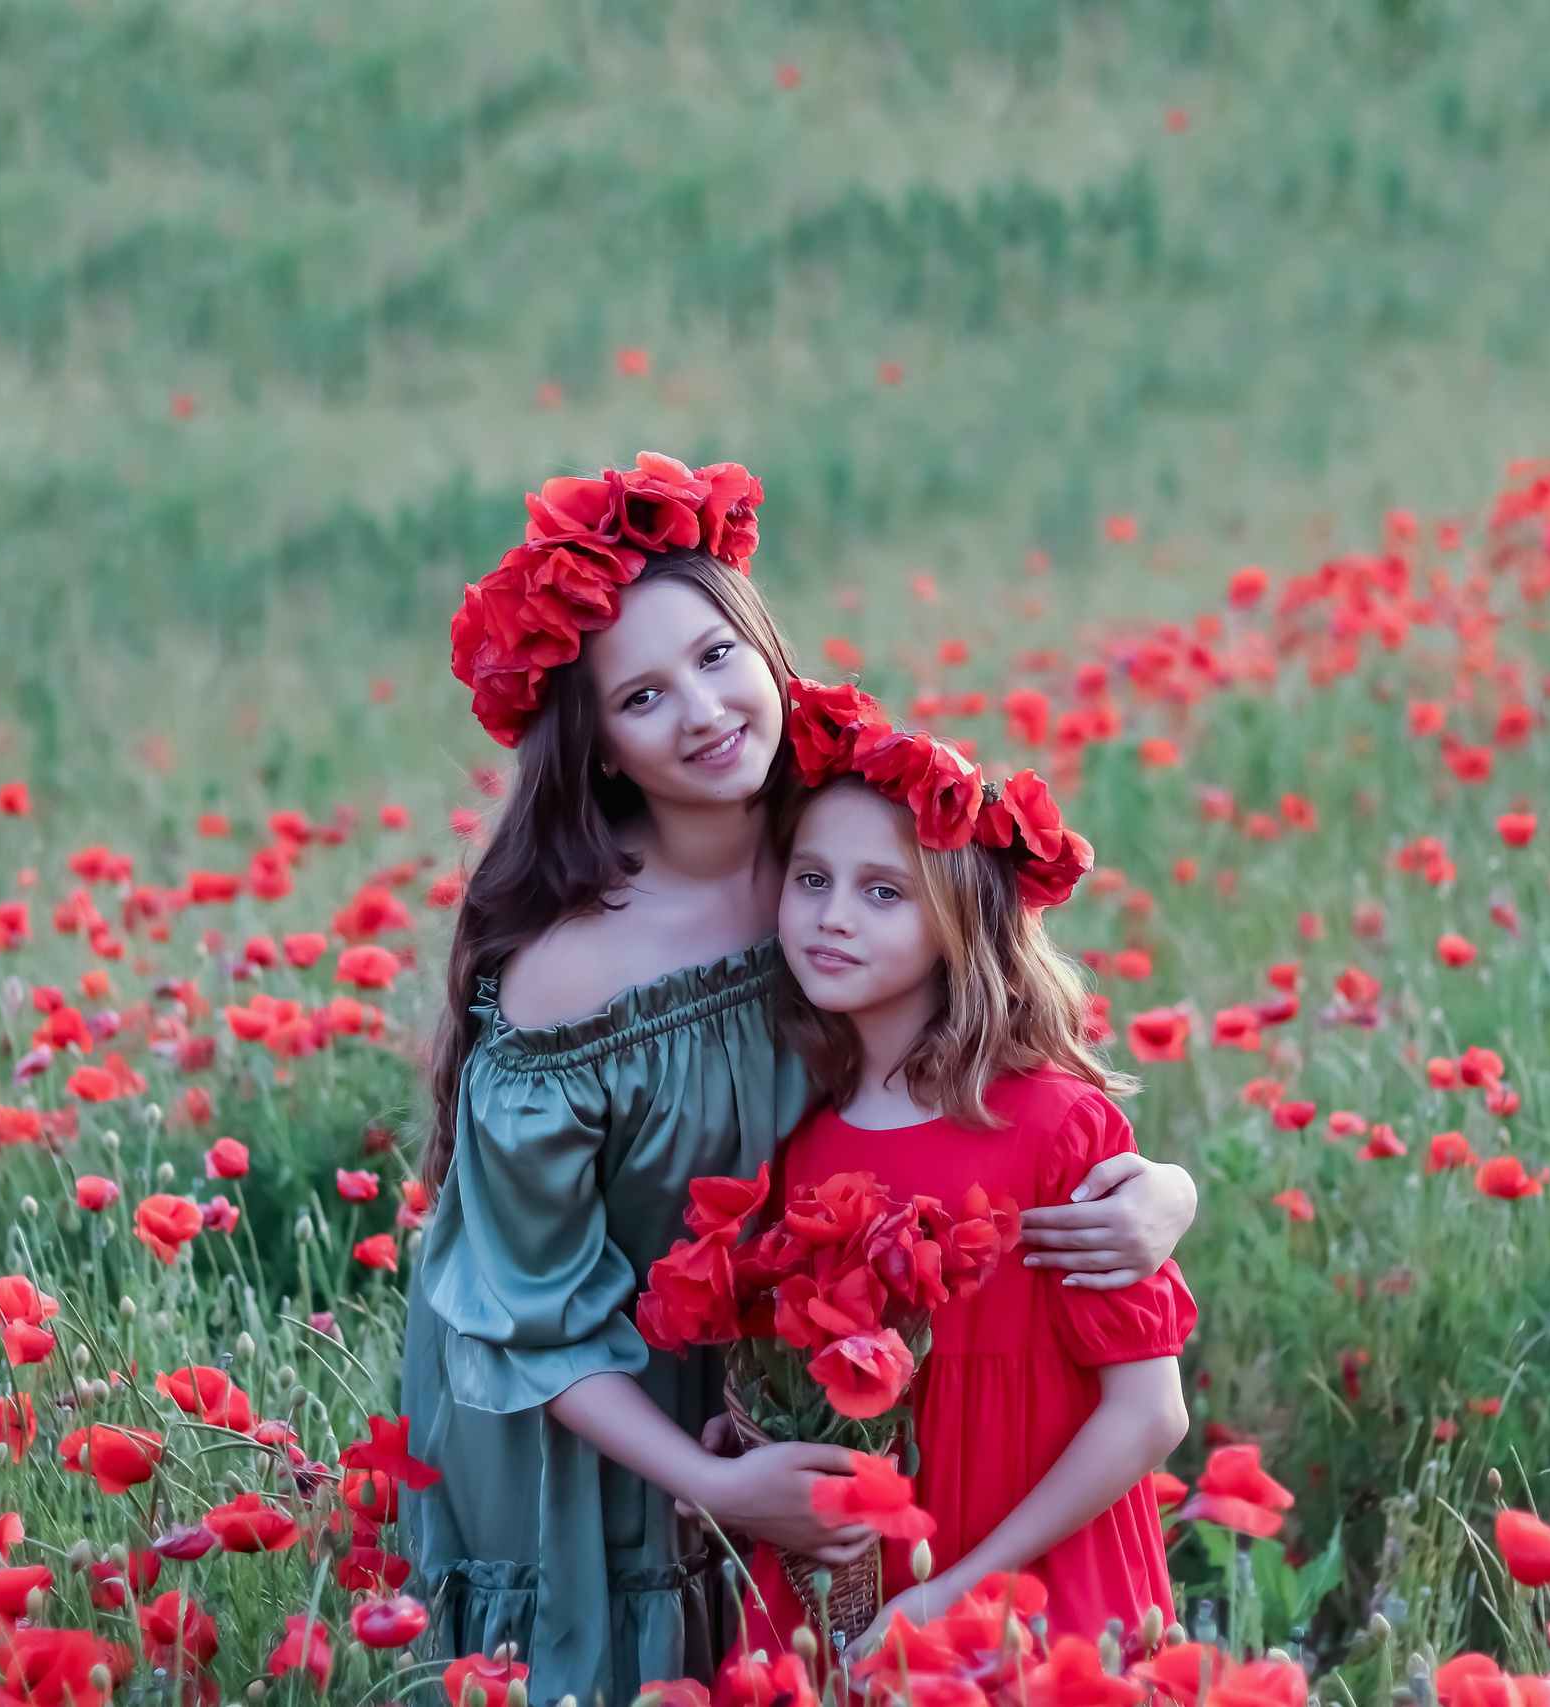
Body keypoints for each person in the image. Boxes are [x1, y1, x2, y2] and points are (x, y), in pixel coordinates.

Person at [403, 453, 1198, 1706]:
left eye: (719, 657)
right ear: (598, 747)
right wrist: (717, 1484)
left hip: (798, 1384)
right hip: (591, 1403)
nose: (707, 712)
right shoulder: (573, 972)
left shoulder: (834, 845)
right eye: (644, 697)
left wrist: (1159, 1193)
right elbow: (524, 1314)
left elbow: (994, 1043)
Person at [731, 680, 1194, 1665]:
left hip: (1026, 1575)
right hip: (848, 1579)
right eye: (809, 879)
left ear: (960, 923)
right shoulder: (794, 1132)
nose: (832, 918)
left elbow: (1148, 1411)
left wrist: (952, 1594)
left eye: (883, 891)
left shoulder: (1053, 1126)